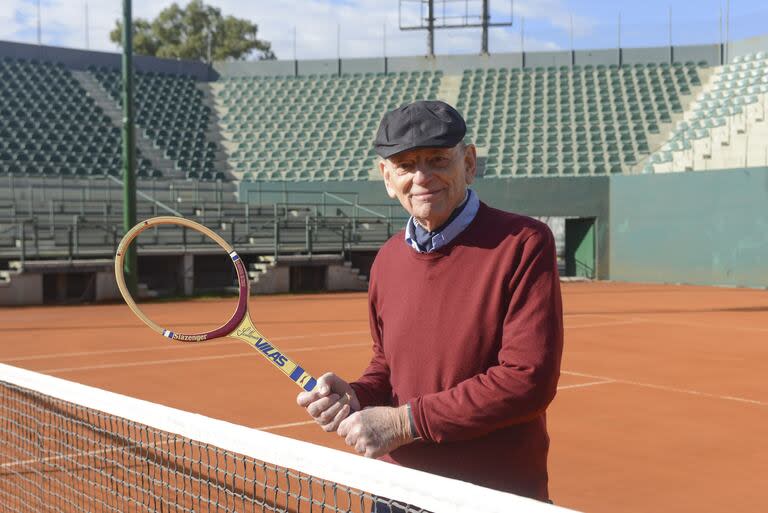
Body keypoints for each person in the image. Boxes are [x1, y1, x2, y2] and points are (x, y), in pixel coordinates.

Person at [297, 100, 564, 504]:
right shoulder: (386, 260)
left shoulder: (524, 243)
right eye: (405, 165)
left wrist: (404, 423)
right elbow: (387, 366)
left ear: (469, 162)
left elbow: (527, 379)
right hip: (398, 493)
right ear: (387, 178)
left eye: (438, 159)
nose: (422, 177)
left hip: (493, 497)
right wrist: (357, 395)